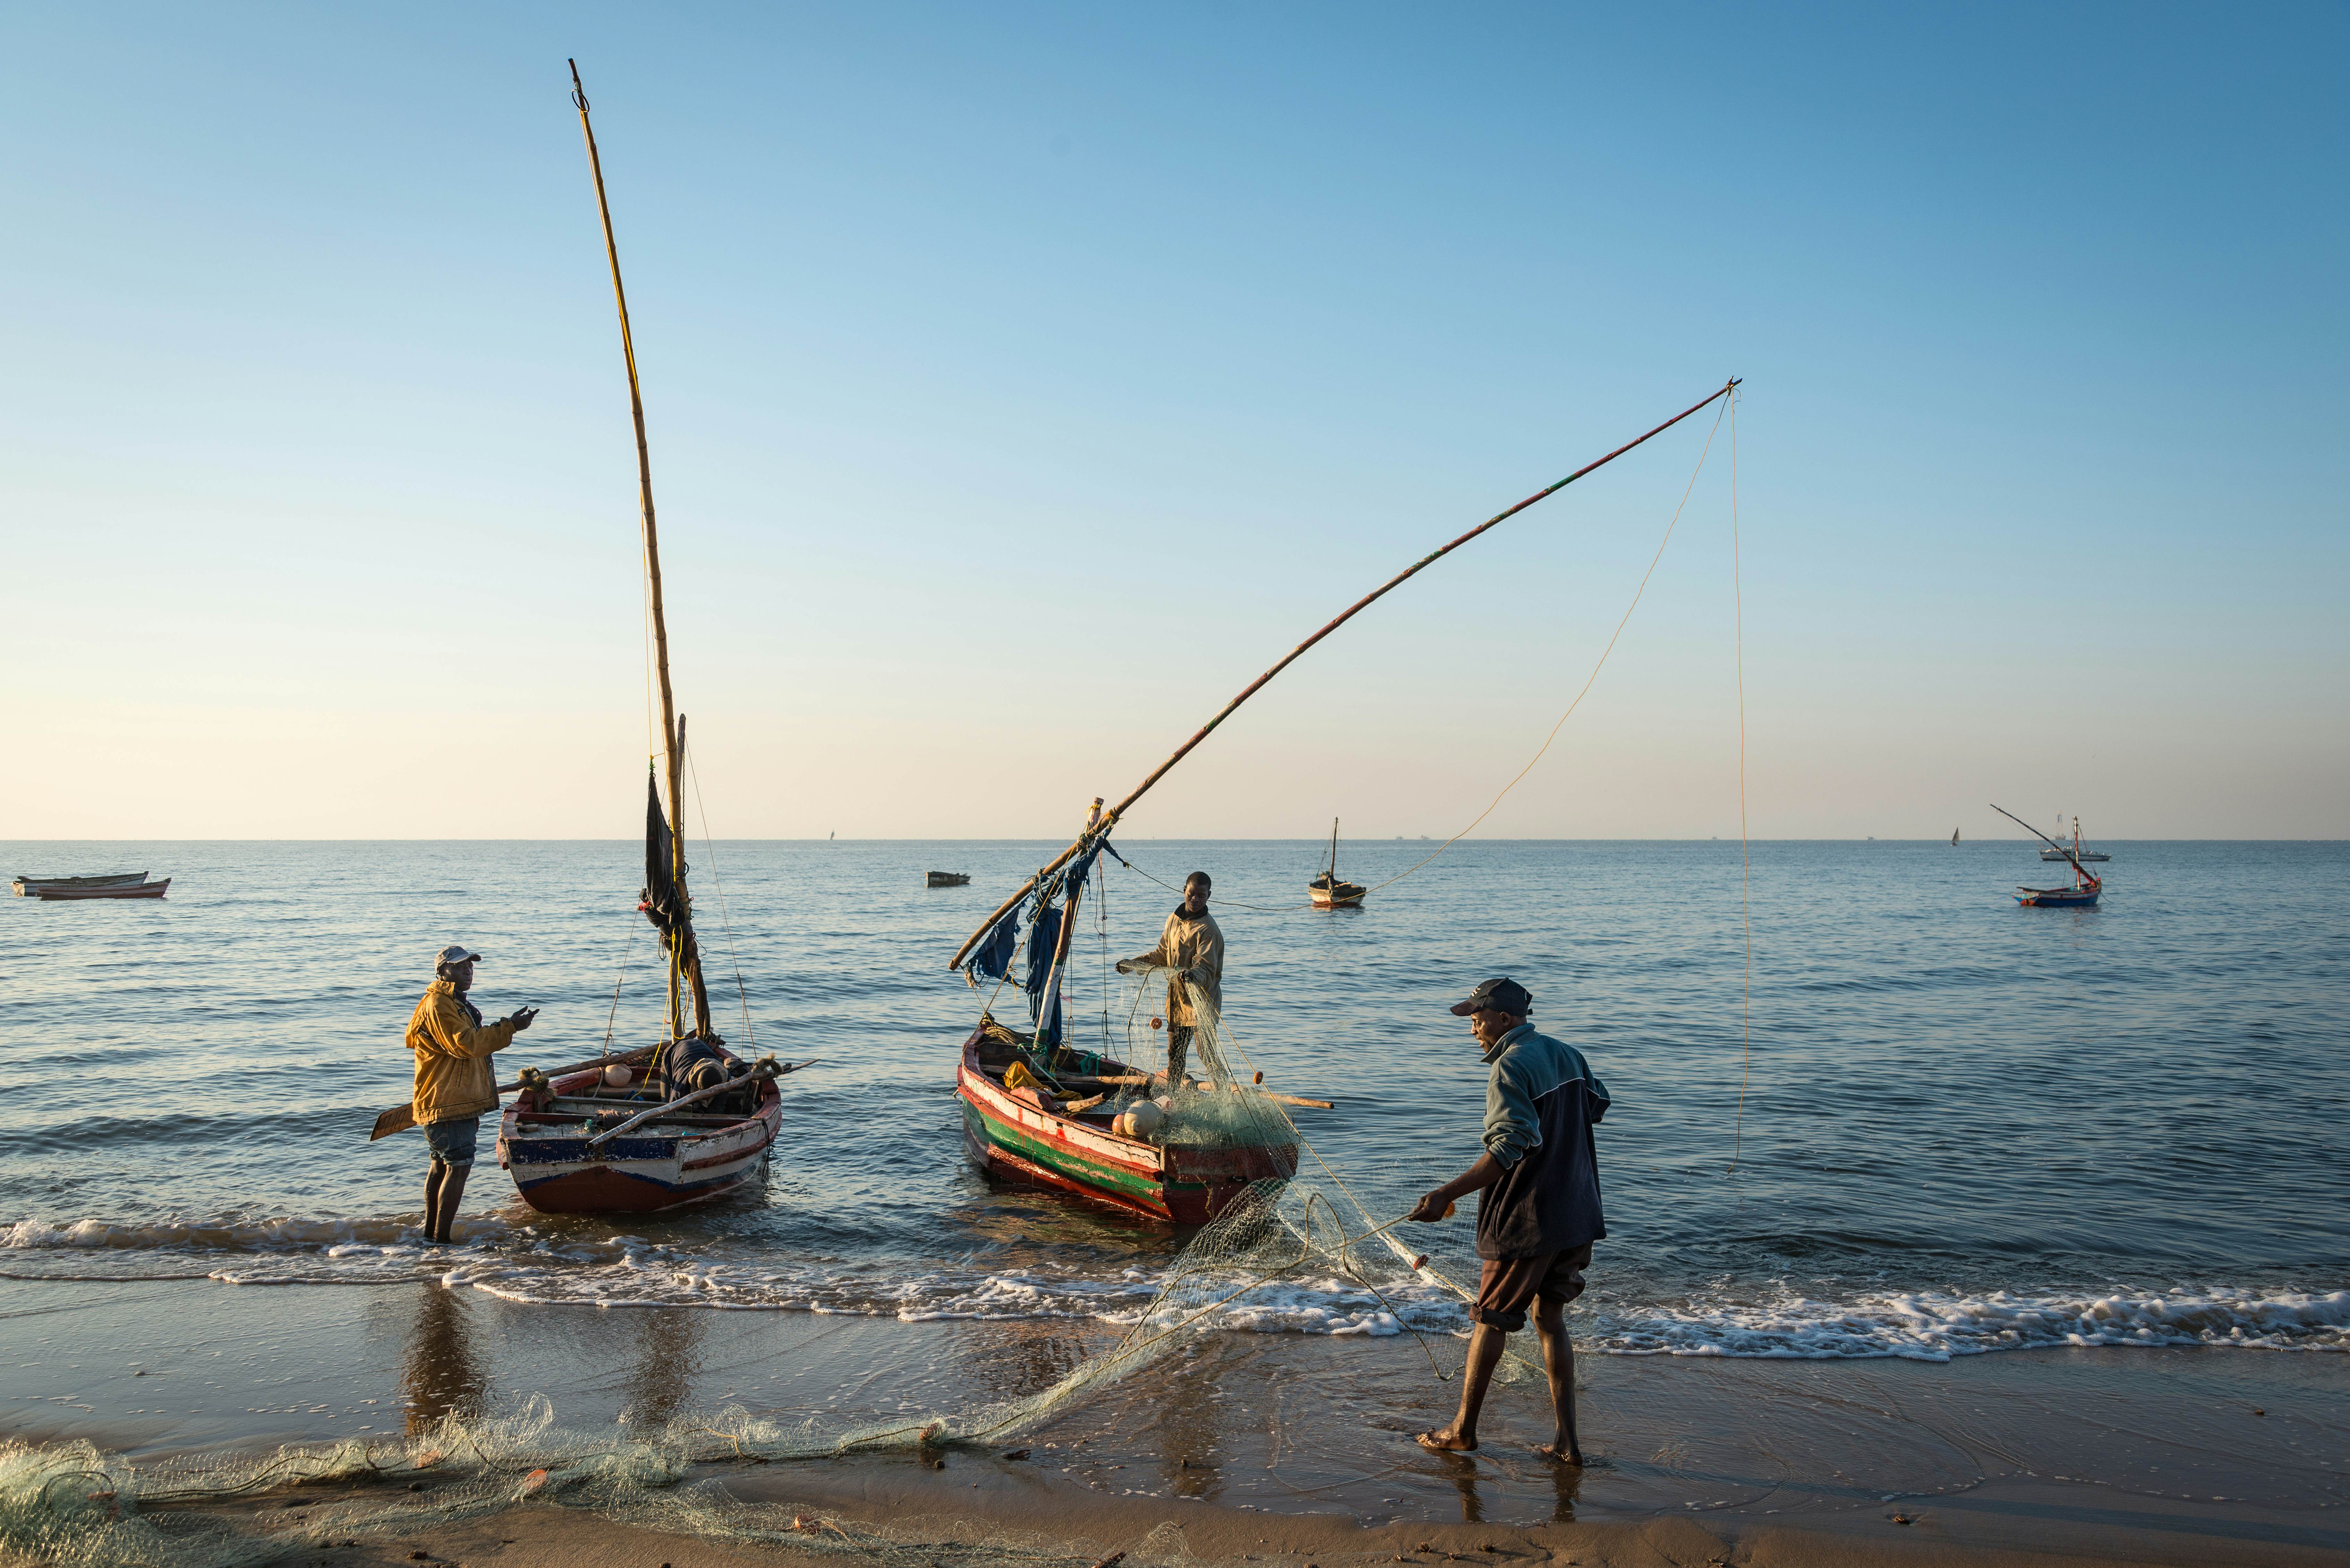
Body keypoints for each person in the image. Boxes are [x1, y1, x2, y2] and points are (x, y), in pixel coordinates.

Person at [1406, 976, 1609, 1463]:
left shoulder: (1509, 1065)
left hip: (1528, 1217)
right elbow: (1597, 1105)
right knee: (1549, 1318)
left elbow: (1508, 1146)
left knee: (1490, 1320)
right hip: (1578, 1212)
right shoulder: (1567, 1053)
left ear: (1503, 1018)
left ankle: (1462, 1431)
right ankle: (1567, 1441)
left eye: (1477, 1019)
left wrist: (1445, 1193)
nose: (1472, 1029)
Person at [405, 945, 536, 1244]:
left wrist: (507, 1026)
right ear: (442, 971)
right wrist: (510, 1027)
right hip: (449, 1102)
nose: (468, 970)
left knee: (442, 1166)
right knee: (458, 1167)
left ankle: (431, 1239)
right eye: (460, 965)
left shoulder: (451, 1003)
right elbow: (468, 1044)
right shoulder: (439, 1004)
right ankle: (441, 1241)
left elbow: (469, 1041)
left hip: (447, 1100)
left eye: (471, 965)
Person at [1116, 871, 1224, 1084]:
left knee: (1206, 1053)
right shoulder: (1173, 920)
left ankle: (1225, 1091)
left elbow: (1206, 968)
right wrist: (1133, 965)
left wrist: (1191, 974)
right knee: (1175, 1054)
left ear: (1209, 896)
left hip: (1203, 1003)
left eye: (1201, 895)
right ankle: (1172, 1096)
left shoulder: (1209, 930)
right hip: (1177, 1002)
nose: (1195, 899)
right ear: (1184, 890)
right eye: (1192, 894)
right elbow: (1161, 954)